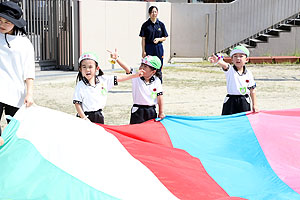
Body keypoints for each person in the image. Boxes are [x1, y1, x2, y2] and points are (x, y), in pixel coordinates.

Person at [73, 52, 144, 124]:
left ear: (97, 68)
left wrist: (135, 75)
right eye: (84, 67)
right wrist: (84, 118)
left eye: (90, 67)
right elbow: (77, 103)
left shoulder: (103, 80)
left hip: (99, 116)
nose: (87, 70)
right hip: (85, 116)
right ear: (80, 69)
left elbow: (119, 78)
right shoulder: (80, 85)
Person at [0, 1, 35, 135]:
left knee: (17, 131)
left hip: (15, 93)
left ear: (15, 23)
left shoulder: (24, 43)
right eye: (0, 20)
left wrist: (29, 94)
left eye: (7, 22)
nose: (2, 25)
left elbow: (29, 70)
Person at [109, 49, 165, 124]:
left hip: (151, 110)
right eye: (141, 65)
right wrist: (117, 58)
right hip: (138, 110)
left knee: (149, 132)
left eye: (145, 66)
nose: (141, 68)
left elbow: (160, 97)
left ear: (153, 71)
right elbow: (127, 68)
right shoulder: (136, 76)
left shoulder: (157, 81)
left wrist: (161, 112)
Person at [208, 45, 258, 115]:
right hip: (230, 100)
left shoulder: (248, 73)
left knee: (243, 121)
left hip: (244, 100)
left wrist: (255, 105)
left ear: (246, 59)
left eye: (241, 56)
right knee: (227, 121)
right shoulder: (230, 70)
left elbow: (252, 90)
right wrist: (218, 61)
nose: (238, 58)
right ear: (232, 59)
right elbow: (225, 65)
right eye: (235, 56)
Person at [139, 5, 168, 82]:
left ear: (157, 13)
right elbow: (143, 39)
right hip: (149, 47)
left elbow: (165, 37)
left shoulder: (161, 24)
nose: (154, 13)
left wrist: (159, 39)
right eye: (152, 12)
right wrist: (143, 51)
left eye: (155, 12)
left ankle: (159, 83)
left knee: (159, 65)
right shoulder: (145, 25)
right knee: (148, 65)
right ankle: (148, 82)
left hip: (158, 47)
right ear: (149, 13)